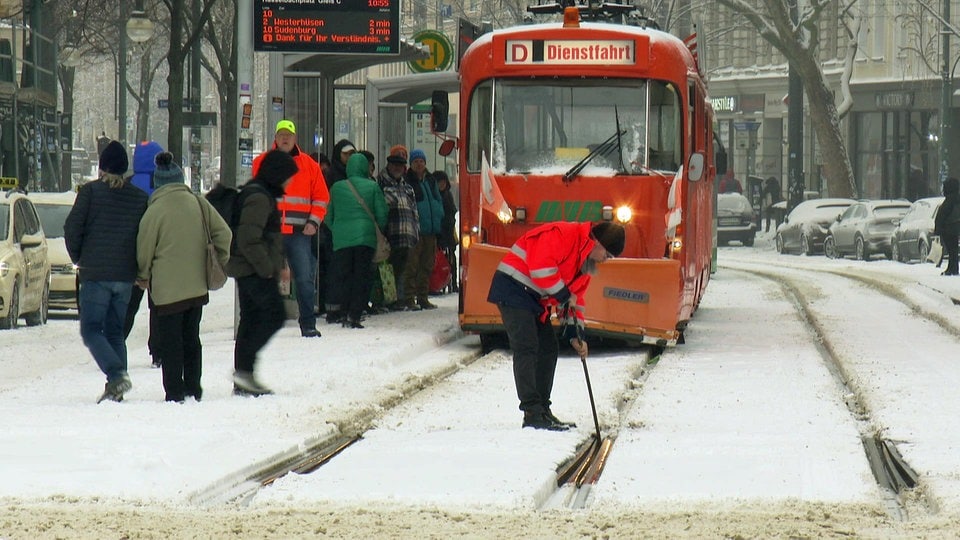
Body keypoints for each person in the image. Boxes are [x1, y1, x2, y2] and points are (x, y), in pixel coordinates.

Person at [487, 221, 625, 431]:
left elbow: (575, 302)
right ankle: (532, 412)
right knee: (527, 347)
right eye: (608, 255)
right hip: (513, 288)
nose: (606, 260)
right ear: (597, 243)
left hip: (534, 299)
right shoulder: (564, 235)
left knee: (548, 348)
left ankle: (542, 408)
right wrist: (563, 295)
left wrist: (575, 335)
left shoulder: (584, 265)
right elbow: (541, 269)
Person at [136, 152, 232, 402]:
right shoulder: (199, 203)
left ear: (158, 183)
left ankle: (175, 391)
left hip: (166, 292)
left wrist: (143, 275)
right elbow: (225, 234)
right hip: (197, 287)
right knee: (192, 338)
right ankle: (194, 387)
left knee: (170, 342)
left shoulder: (154, 212)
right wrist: (218, 259)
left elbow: (144, 250)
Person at [64, 140, 148, 403]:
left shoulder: (89, 193)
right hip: (125, 276)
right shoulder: (139, 199)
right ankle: (116, 389)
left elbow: (72, 229)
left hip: (96, 274)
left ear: (102, 168)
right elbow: (143, 237)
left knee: (91, 330)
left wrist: (79, 258)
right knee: (114, 331)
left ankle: (116, 376)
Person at [227, 149, 299, 396]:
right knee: (273, 315)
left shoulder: (259, 193)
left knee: (250, 320)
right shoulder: (259, 197)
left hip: (248, 268)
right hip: (254, 269)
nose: (290, 181)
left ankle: (244, 375)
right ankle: (244, 371)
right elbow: (249, 238)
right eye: (288, 176)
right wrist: (268, 268)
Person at [252, 120, 330, 337]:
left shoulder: (309, 165)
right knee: (264, 278)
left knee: (304, 278)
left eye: (288, 135)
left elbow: (322, 197)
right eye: (281, 135)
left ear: (295, 139)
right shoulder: (261, 162)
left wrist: (313, 222)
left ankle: (308, 324)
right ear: (275, 138)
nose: (285, 138)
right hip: (272, 232)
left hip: (298, 234)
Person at [326, 153, 388, 328]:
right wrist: (376, 229)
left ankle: (344, 311)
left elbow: (328, 216)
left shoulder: (337, 188)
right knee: (362, 276)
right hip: (365, 238)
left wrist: (338, 229)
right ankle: (355, 314)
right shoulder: (372, 187)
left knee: (344, 276)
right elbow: (382, 214)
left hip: (341, 240)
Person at [124, 140, 164, 368]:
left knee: (130, 303)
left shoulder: (128, 184)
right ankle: (157, 352)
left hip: (133, 253)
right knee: (158, 306)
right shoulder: (162, 185)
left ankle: (117, 342)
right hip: (159, 252)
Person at [401, 149, 444, 310]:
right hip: (415, 230)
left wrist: (439, 215)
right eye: (416, 161)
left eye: (421, 161)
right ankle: (409, 298)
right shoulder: (408, 181)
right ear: (411, 164)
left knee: (427, 265)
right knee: (412, 265)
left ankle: (423, 297)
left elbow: (437, 200)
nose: (419, 164)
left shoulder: (431, 180)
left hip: (431, 230)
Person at [377, 147, 419, 309]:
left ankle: (400, 300)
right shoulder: (380, 183)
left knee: (403, 270)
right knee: (387, 270)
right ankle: (389, 300)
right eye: (394, 165)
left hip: (407, 236)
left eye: (400, 166)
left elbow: (414, 211)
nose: (397, 168)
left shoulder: (407, 187)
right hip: (389, 236)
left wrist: (416, 232)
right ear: (388, 165)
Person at [322, 139, 357, 320]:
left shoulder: (355, 174)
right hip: (334, 230)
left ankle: (347, 305)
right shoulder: (331, 175)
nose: (349, 158)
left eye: (352, 154)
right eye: (346, 154)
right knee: (336, 269)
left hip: (351, 229)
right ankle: (333, 308)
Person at [435, 171, 458, 292]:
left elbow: (452, 211)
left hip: (449, 232)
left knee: (451, 259)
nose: (442, 184)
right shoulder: (435, 196)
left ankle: (453, 283)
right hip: (439, 232)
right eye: (439, 182)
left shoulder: (448, 195)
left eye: (443, 182)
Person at [935, 177, 960, 276]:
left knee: (951, 250)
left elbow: (941, 216)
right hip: (956, 228)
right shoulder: (957, 199)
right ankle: (954, 268)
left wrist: (938, 230)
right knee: (954, 250)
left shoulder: (949, 201)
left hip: (948, 229)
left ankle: (951, 269)